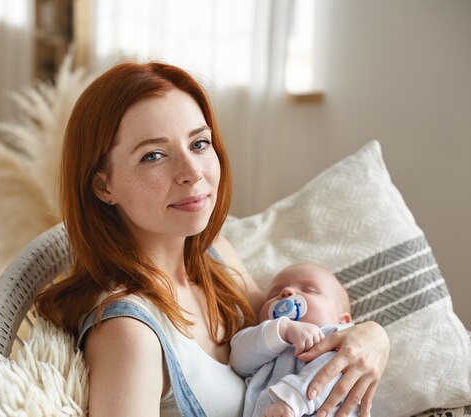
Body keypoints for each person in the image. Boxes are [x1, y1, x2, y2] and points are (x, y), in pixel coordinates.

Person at [35, 61, 389, 417]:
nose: (192, 172)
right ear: (104, 185)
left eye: (199, 143)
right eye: (154, 155)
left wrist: (373, 337)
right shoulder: (130, 333)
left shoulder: (214, 255)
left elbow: (289, 323)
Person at [230, 264, 359, 417]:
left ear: (343, 321)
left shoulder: (337, 337)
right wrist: (282, 329)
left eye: (309, 290)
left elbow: (334, 373)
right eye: (274, 294)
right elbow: (238, 360)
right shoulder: (264, 344)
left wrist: (292, 401)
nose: (287, 292)